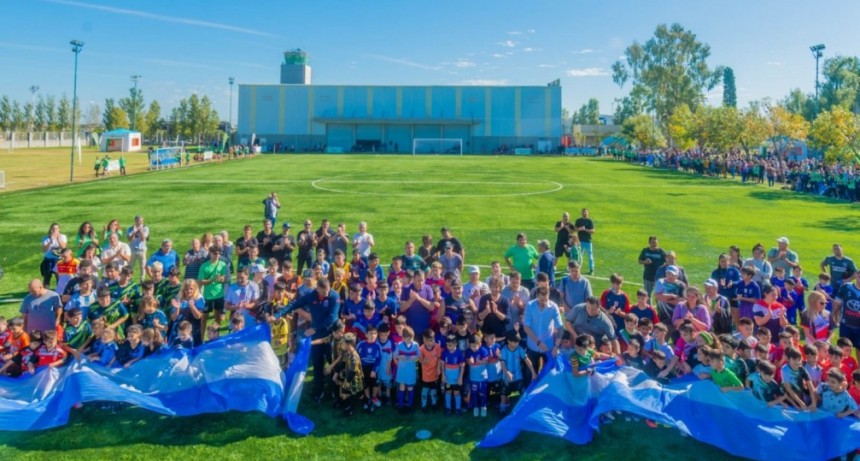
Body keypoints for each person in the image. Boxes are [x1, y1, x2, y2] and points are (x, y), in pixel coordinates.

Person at [274, 277, 340, 402]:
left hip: (331, 336)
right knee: (317, 363)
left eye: (328, 290)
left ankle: (335, 392)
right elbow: (294, 304)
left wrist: (315, 328)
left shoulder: (334, 296)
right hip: (316, 337)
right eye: (324, 291)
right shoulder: (311, 296)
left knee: (333, 363)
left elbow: (332, 317)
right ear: (318, 288)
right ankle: (318, 391)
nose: (327, 293)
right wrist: (277, 315)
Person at [522, 286, 564, 375]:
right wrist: (538, 343)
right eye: (541, 300)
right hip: (532, 346)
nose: (544, 302)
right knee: (531, 373)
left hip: (549, 347)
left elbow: (560, 327)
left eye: (546, 299)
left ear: (548, 296)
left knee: (550, 373)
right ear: (537, 296)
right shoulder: (530, 306)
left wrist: (556, 346)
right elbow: (526, 327)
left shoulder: (553, 307)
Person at [499, 331, 535, 414]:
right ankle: (503, 408)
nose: (517, 343)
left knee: (523, 393)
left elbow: (527, 360)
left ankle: (524, 409)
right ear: (509, 341)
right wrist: (507, 372)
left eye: (518, 341)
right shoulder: (504, 350)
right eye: (515, 342)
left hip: (518, 377)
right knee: (504, 394)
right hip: (506, 378)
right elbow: (502, 363)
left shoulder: (520, 349)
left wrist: (533, 372)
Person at [198, 246, 229, 328]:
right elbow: (200, 281)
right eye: (215, 254)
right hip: (207, 296)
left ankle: (216, 336)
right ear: (210, 253)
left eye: (219, 254)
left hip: (219, 295)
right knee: (204, 319)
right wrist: (212, 280)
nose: (217, 255)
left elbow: (224, 278)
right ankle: (201, 339)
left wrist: (222, 279)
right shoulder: (204, 266)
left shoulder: (222, 264)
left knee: (217, 318)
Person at [653, 265, 687, 337]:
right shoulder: (661, 282)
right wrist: (672, 296)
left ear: (677, 275)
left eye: (672, 275)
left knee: (677, 338)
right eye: (668, 274)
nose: (670, 276)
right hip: (663, 315)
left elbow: (683, 301)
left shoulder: (681, 285)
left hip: (676, 316)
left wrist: (665, 299)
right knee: (661, 336)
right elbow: (657, 296)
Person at [399, 270, 434, 337]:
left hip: (424, 327)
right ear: (413, 279)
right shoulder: (406, 289)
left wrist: (420, 299)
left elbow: (432, 307)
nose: (421, 283)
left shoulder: (428, 288)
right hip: (410, 328)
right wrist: (411, 300)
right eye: (418, 281)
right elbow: (402, 309)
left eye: (422, 280)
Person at [393, 326, 419, 412]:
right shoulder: (399, 345)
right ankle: (401, 404)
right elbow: (395, 355)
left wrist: (414, 357)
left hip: (411, 370)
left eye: (411, 338)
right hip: (402, 371)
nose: (409, 341)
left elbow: (419, 356)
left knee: (410, 387)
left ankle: (410, 405)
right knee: (402, 386)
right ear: (403, 338)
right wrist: (400, 356)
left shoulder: (415, 345)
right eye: (407, 339)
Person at [465, 333, 490, 417]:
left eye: (474, 346)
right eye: (471, 346)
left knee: (483, 392)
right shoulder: (468, 351)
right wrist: (470, 362)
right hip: (473, 377)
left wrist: (480, 362)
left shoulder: (483, 350)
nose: (473, 348)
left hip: (482, 377)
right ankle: (475, 407)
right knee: (474, 393)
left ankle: (483, 406)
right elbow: (468, 361)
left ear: (479, 344)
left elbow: (486, 360)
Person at [441, 334, 465, 415]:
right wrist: (443, 375)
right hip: (447, 378)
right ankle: (448, 408)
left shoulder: (459, 353)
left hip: (456, 378)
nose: (448, 347)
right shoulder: (444, 352)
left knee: (456, 393)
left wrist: (460, 377)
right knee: (448, 392)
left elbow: (462, 366)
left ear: (455, 344)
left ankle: (458, 408)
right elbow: (442, 364)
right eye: (447, 345)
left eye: (450, 345)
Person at [418, 329, 441, 412]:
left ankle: (434, 404)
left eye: (431, 341)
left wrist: (438, 368)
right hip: (426, 375)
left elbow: (439, 358)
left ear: (434, 339)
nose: (429, 343)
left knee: (433, 391)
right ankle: (424, 405)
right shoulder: (421, 349)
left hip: (434, 374)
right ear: (424, 340)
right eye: (426, 341)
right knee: (425, 391)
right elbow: (420, 360)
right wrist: (424, 361)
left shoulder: (437, 347)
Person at [40, 223, 67, 289]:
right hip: (48, 260)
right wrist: (50, 241)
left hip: (59, 260)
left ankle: (60, 291)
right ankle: (45, 291)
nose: (55, 230)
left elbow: (64, 247)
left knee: (59, 277)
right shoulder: (45, 238)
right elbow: (44, 250)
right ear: (50, 230)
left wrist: (58, 239)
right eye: (53, 229)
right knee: (47, 276)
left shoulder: (63, 237)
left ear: (59, 229)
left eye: (56, 228)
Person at [126, 216, 150, 282]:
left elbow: (143, 239)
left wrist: (141, 230)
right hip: (132, 249)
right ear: (135, 221)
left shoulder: (145, 228)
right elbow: (130, 239)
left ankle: (142, 280)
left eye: (141, 220)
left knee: (143, 266)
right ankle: (129, 279)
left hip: (141, 250)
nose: (139, 222)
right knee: (130, 266)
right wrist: (134, 232)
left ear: (143, 221)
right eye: (137, 220)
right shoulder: (130, 228)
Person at [573, 208, 595, 274]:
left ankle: (591, 269)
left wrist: (585, 230)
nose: (584, 213)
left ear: (587, 213)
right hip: (580, 241)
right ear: (581, 213)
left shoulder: (590, 221)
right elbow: (575, 229)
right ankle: (578, 268)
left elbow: (593, 231)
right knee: (579, 256)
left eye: (585, 212)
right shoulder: (578, 221)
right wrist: (580, 229)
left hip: (588, 241)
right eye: (583, 212)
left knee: (590, 256)